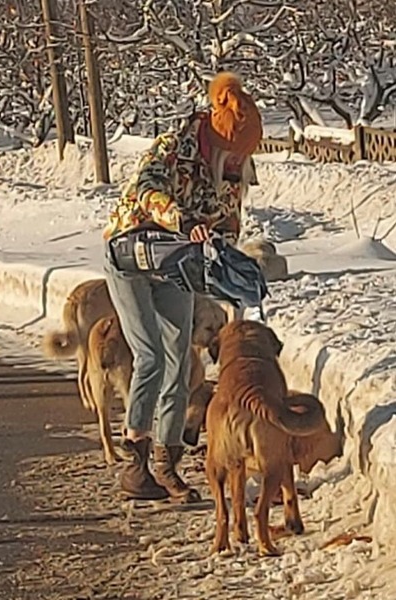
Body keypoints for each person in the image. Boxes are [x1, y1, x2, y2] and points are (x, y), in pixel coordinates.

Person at [101, 72, 263, 501]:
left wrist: (232, 269)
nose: (237, 163)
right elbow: (146, 191)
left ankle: (166, 464)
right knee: (150, 354)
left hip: (175, 266)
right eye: (234, 153)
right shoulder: (174, 147)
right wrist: (181, 219)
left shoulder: (233, 169)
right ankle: (134, 462)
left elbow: (227, 225)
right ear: (218, 135)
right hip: (130, 254)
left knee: (179, 361)